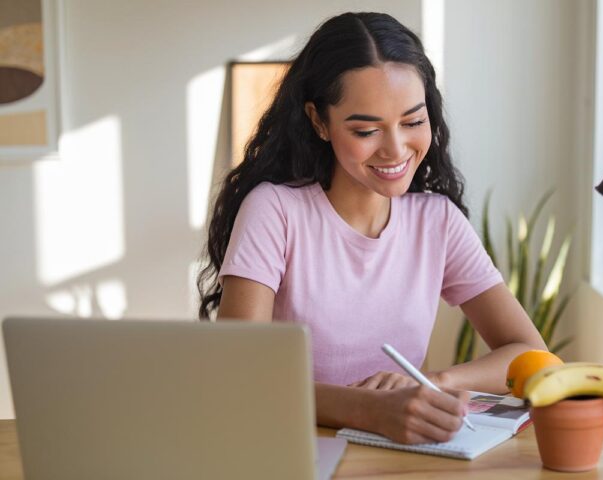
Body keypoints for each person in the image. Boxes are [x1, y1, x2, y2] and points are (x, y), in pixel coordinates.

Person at [197, 11, 547, 445]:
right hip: (288, 452)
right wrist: (367, 409)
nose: (396, 149)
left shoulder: (436, 221)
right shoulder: (275, 211)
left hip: (399, 457)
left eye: (413, 122)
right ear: (319, 121)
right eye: (366, 129)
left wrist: (429, 382)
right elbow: (239, 377)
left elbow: (532, 356)